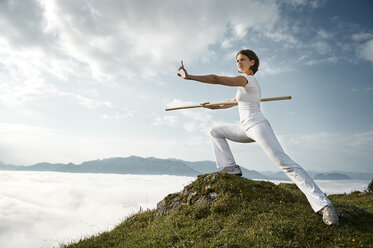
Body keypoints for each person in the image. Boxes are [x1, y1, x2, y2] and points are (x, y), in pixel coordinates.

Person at [177, 49, 339, 226]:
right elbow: (232, 102)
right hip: (245, 128)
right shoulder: (243, 86)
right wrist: (213, 107)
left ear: (252, 62)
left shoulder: (248, 80)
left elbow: (216, 79)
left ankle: (325, 205)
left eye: (243, 59)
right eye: (237, 60)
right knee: (216, 131)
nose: (239, 62)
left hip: (258, 126)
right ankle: (230, 167)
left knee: (284, 163)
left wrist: (190, 76)